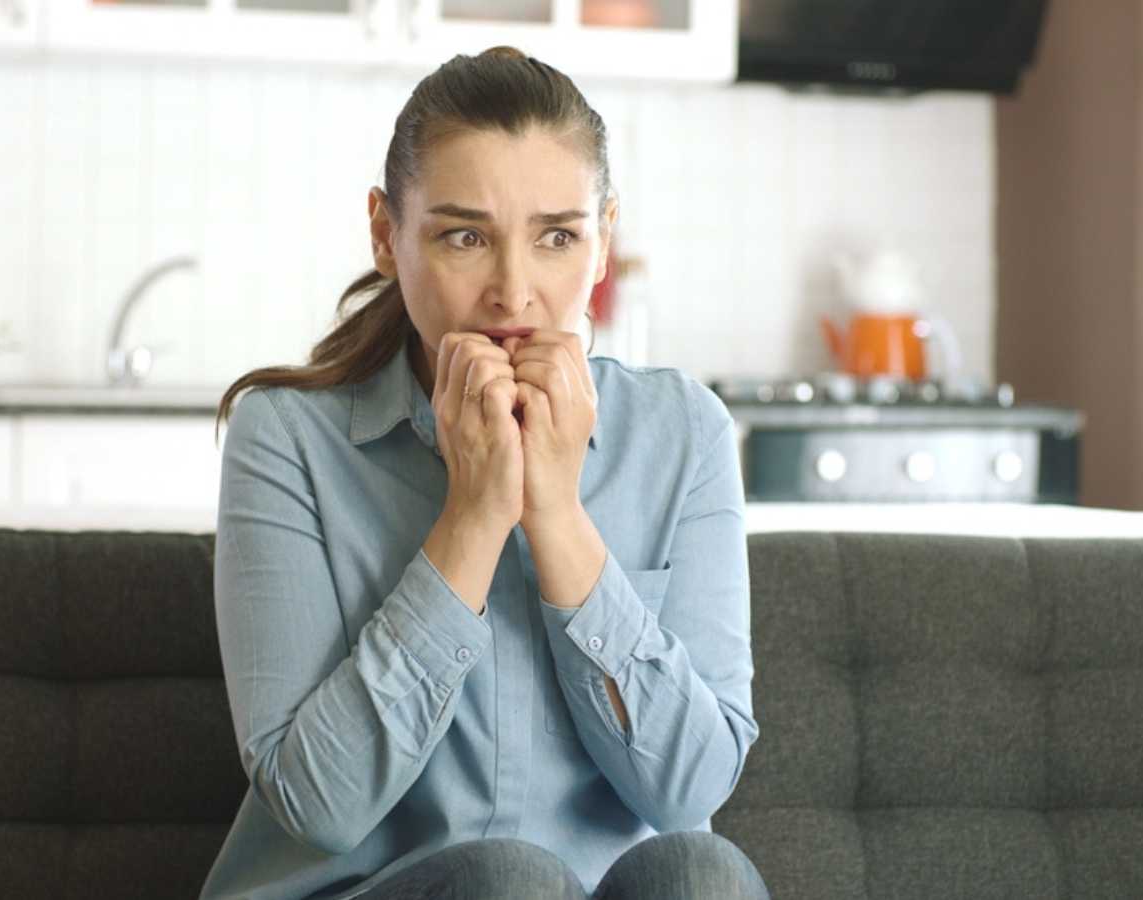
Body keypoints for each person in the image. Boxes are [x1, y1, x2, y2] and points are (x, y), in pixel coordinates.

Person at [203, 46, 765, 900]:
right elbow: (319, 803)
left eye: (557, 238)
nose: (513, 292)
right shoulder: (284, 437)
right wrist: (472, 516)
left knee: (701, 873)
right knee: (508, 883)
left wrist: (557, 514)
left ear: (604, 242)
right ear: (387, 236)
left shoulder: (684, 433)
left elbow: (688, 792)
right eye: (465, 236)